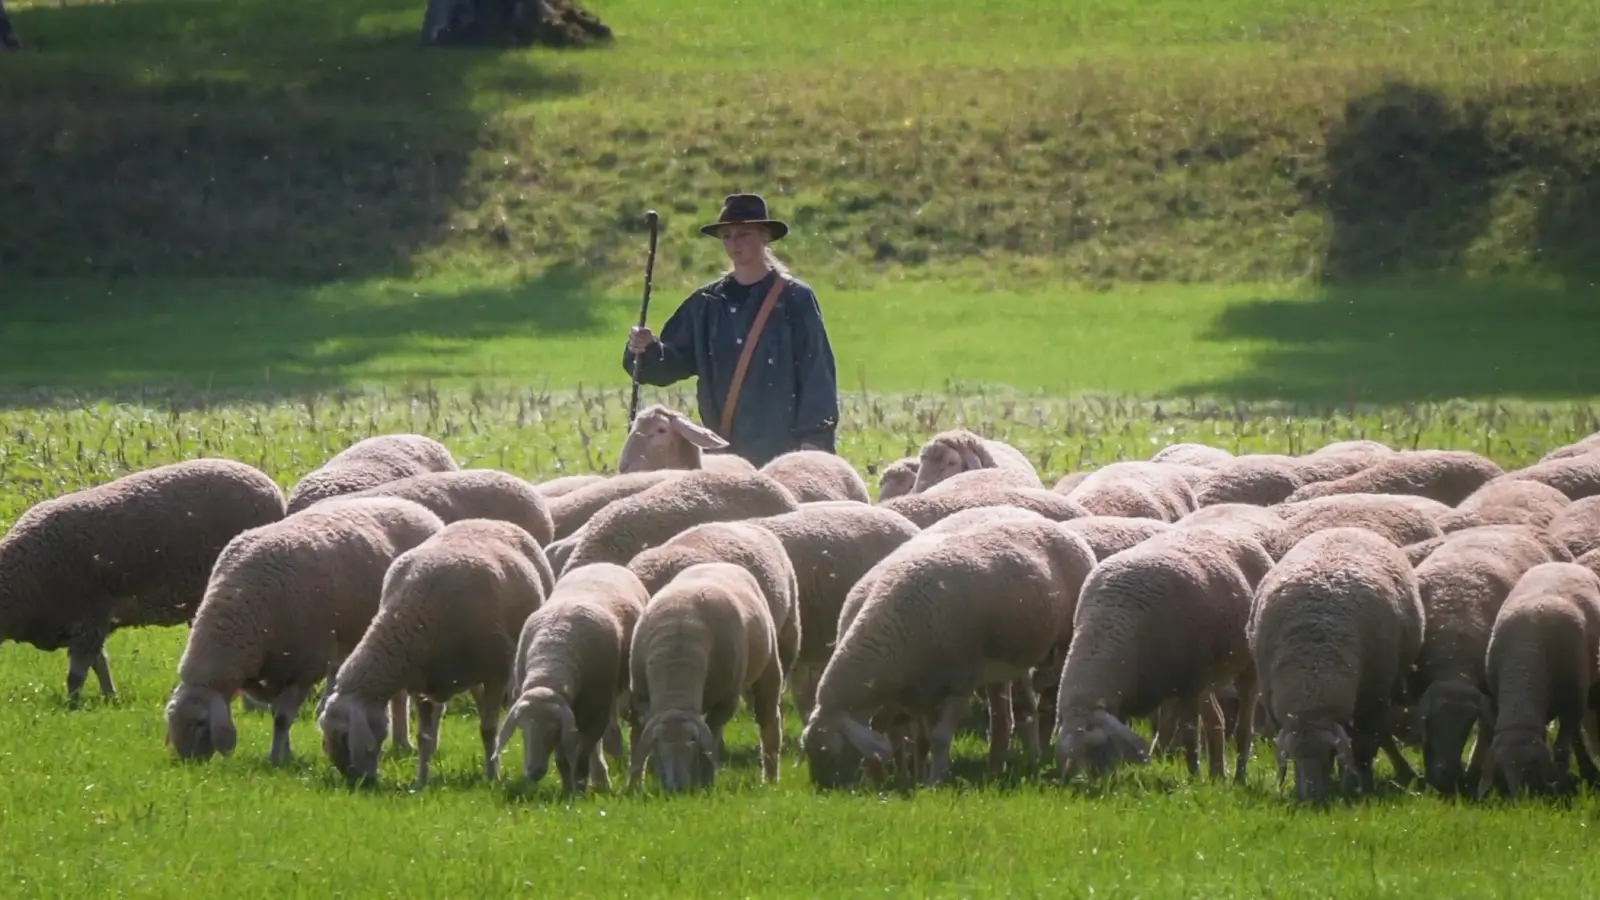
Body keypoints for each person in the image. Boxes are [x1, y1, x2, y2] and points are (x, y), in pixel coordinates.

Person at [623, 192, 840, 469]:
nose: (734, 243)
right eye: (727, 236)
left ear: (764, 236)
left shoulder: (795, 300)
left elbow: (816, 374)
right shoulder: (706, 304)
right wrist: (644, 348)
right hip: (725, 455)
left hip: (786, 455)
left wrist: (814, 445)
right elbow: (667, 365)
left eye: (744, 234)